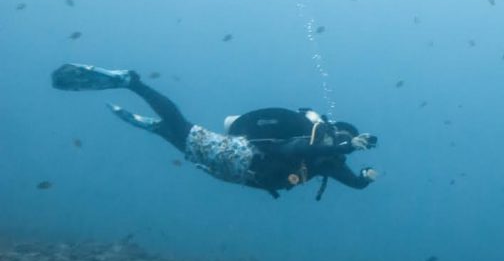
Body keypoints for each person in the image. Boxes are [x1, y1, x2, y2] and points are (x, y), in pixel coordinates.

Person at [51, 63, 378, 200]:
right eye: (341, 138)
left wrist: (365, 175)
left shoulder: (330, 163)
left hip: (240, 176)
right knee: (183, 128)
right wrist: (346, 148)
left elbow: (356, 184)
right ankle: (133, 82)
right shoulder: (310, 143)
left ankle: (158, 129)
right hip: (242, 158)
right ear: (332, 134)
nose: (342, 145)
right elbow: (291, 152)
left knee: (187, 147)